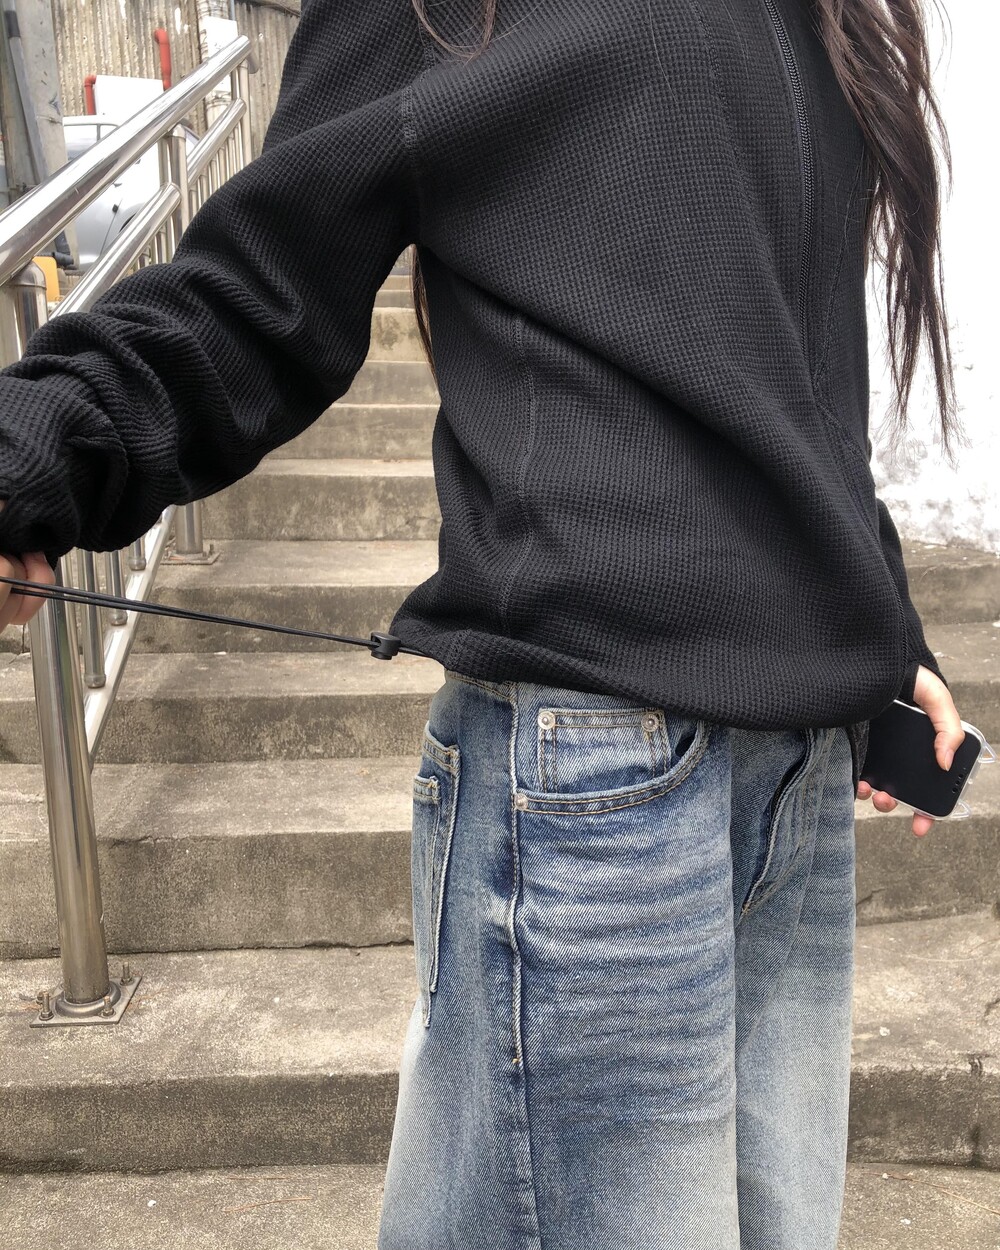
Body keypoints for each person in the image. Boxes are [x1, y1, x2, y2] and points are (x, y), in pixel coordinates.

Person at [0, 0, 967, 1246]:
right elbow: (256, 293)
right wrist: (33, 455)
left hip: (794, 771)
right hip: (604, 775)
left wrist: (881, 616)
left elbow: (791, 366)